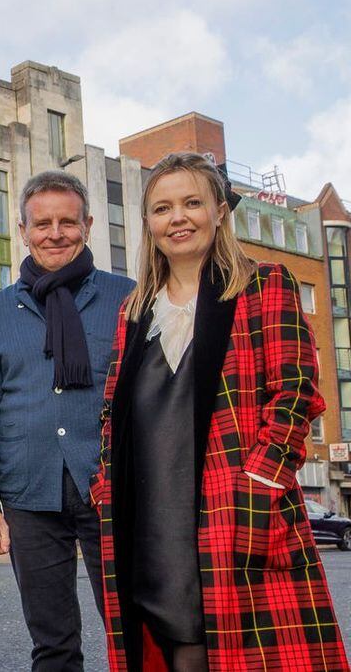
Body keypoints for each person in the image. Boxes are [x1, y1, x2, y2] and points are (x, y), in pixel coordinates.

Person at [90, 152, 350, 671]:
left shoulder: (265, 284)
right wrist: (104, 485)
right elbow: (111, 415)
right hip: (151, 517)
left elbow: (296, 394)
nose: (177, 217)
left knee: (238, 653)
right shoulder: (135, 310)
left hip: (234, 512)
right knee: (172, 643)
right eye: (162, 208)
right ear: (149, 223)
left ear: (219, 211)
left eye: (192, 203)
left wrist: (257, 483)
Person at [0, 171, 132, 671]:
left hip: (110, 489)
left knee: (134, 629)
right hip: (27, 493)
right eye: (42, 223)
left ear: (88, 225)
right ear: (23, 229)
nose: (55, 233)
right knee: (53, 642)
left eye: (67, 221)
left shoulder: (126, 298)